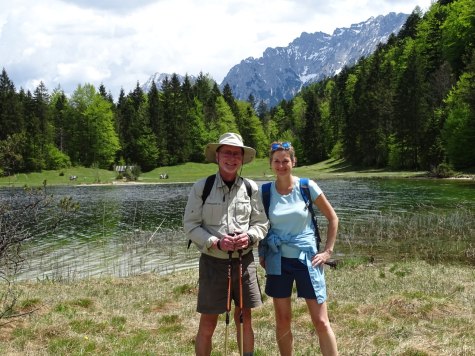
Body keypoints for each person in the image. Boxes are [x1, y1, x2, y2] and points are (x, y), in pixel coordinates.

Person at [183, 132, 269, 356]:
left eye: (236, 154)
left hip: (245, 262)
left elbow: (261, 224)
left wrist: (249, 237)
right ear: (218, 156)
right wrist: (216, 242)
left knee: (245, 319)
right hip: (213, 263)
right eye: (227, 153)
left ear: (242, 158)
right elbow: (190, 226)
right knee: (208, 323)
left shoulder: (251, 188)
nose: (231, 158)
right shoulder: (201, 187)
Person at [258, 141, 338, 356]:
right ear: (271, 164)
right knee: (283, 321)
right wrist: (262, 252)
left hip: (308, 259)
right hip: (278, 261)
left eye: (285, 161)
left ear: (293, 162)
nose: (281, 165)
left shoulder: (307, 186)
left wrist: (327, 251)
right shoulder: (264, 191)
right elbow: (259, 225)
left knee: (321, 321)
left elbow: (332, 218)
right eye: (277, 161)